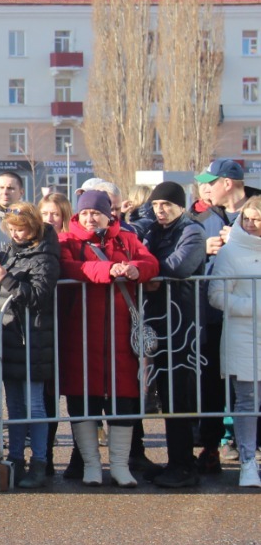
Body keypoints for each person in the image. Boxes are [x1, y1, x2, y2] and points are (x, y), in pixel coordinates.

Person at [58, 189, 159, 488]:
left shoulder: (126, 239)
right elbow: (68, 267)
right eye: (85, 212)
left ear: (108, 214)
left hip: (120, 337)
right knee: (81, 400)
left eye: (96, 212)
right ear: (78, 214)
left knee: (124, 401)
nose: (90, 218)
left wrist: (134, 269)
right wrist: (107, 269)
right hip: (80, 336)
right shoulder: (68, 240)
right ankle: (91, 465)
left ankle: (119, 465)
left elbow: (151, 263)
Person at [131, 181, 208, 488]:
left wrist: (146, 270)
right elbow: (132, 245)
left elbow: (180, 266)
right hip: (156, 321)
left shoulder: (191, 231)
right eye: (156, 205)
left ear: (180, 206)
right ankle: (174, 461)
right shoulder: (153, 229)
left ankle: (184, 465)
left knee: (179, 397)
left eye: (167, 205)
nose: (160, 210)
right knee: (163, 393)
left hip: (183, 325)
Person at [0, 202, 59, 488]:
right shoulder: (12, 253)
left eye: (21, 229)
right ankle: (15, 458)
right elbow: (6, 288)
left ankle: (39, 461)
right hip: (11, 337)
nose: (15, 234)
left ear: (33, 228)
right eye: (12, 230)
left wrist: (6, 279)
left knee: (34, 405)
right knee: (14, 405)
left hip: (33, 338)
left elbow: (38, 296)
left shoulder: (45, 255)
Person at [207, 196, 261, 487]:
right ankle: (248, 463)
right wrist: (253, 306)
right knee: (247, 402)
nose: (250, 224)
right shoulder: (231, 252)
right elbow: (216, 295)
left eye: (257, 219)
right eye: (247, 218)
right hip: (243, 336)